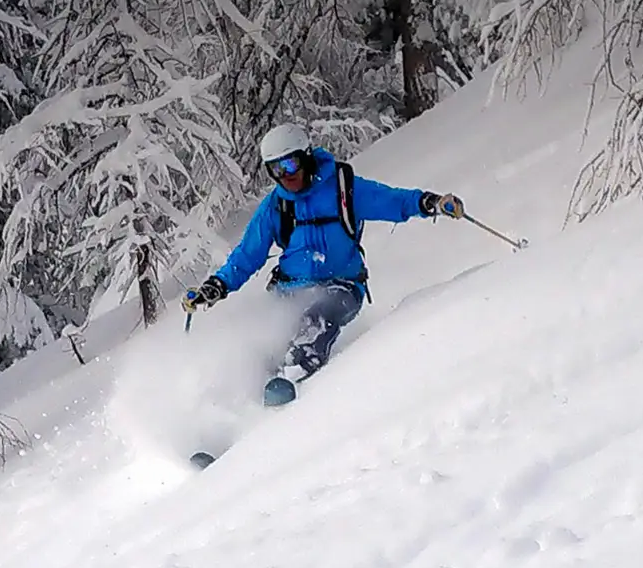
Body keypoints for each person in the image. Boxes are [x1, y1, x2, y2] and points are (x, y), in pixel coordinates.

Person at [182, 123, 466, 405]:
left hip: (341, 286)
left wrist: (431, 203)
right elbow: (247, 254)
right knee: (259, 344)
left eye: (290, 165)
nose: (285, 176)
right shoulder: (276, 206)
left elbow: (392, 201)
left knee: (315, 318)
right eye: (276, 170)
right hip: (289, 290)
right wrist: (215, 287)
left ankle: (292, 382)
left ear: (306, 157)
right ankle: (229, 415)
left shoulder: (344, 189)